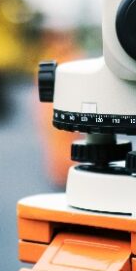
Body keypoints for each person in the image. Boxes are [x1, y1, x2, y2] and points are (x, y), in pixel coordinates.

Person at [34, 29, 83, 187]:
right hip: (53, 116)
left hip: (63, 116)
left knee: (67, 146)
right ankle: (61, 174)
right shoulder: (64, 59)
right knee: (59, 147)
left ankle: (65, 174)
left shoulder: (69, 59)